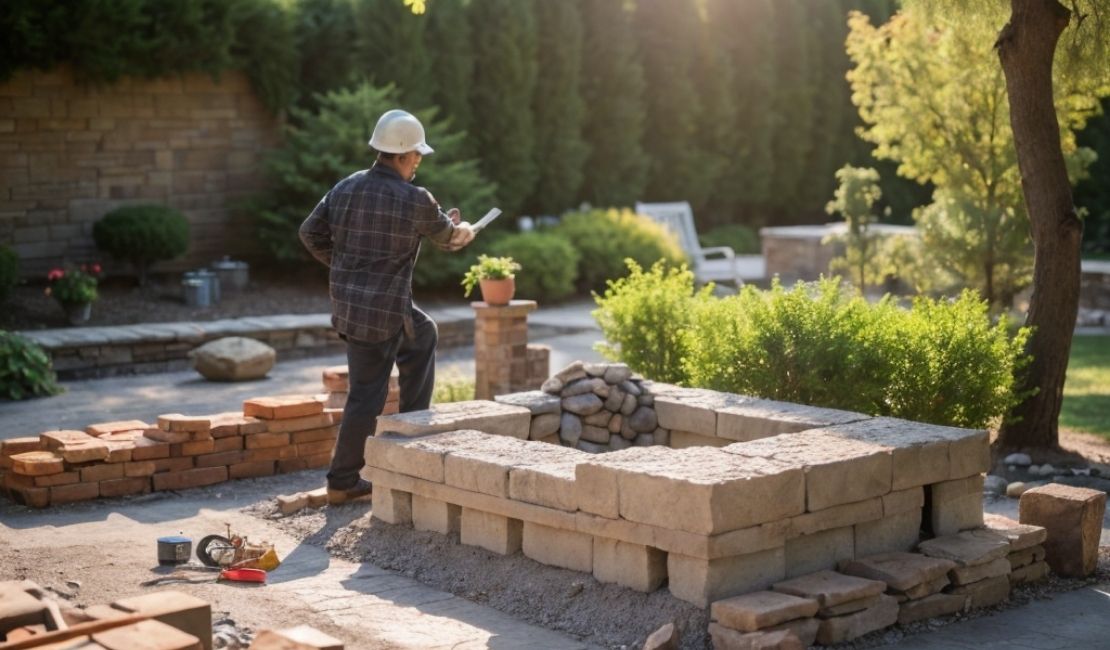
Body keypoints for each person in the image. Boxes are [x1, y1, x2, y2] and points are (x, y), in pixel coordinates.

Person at [299, 109, 476, 504]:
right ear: (399, 154)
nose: (418, 162)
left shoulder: (345, 187)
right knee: (367, 394)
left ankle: (408, 435)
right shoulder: (414, 198)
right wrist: (464, 230)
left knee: (423, 334)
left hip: (356, 305)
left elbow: (309, 232)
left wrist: (345, 266)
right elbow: (449, 237)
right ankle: (343, 480)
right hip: (382, 313)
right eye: (416, 155)